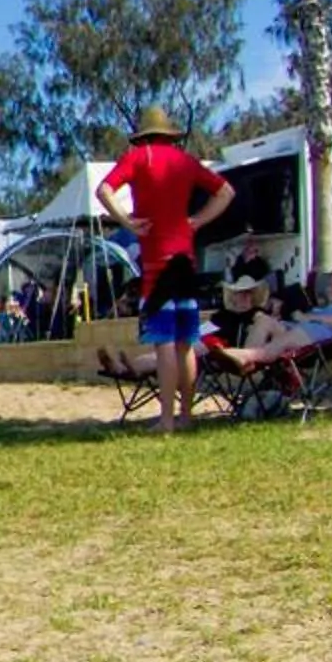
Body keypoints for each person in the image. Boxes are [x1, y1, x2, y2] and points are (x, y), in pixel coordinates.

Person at [96, 106, 235, 430]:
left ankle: (167, 420)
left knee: (164, 345)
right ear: (170, 135)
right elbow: (226, 191)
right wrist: (198, 221)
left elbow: (103, 190)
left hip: (158, 267)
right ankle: (186, 416)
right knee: (186, 343)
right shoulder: (185, 161)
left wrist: (127, 221)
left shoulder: (139, 158)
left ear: (143, 135)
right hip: (185, 264)